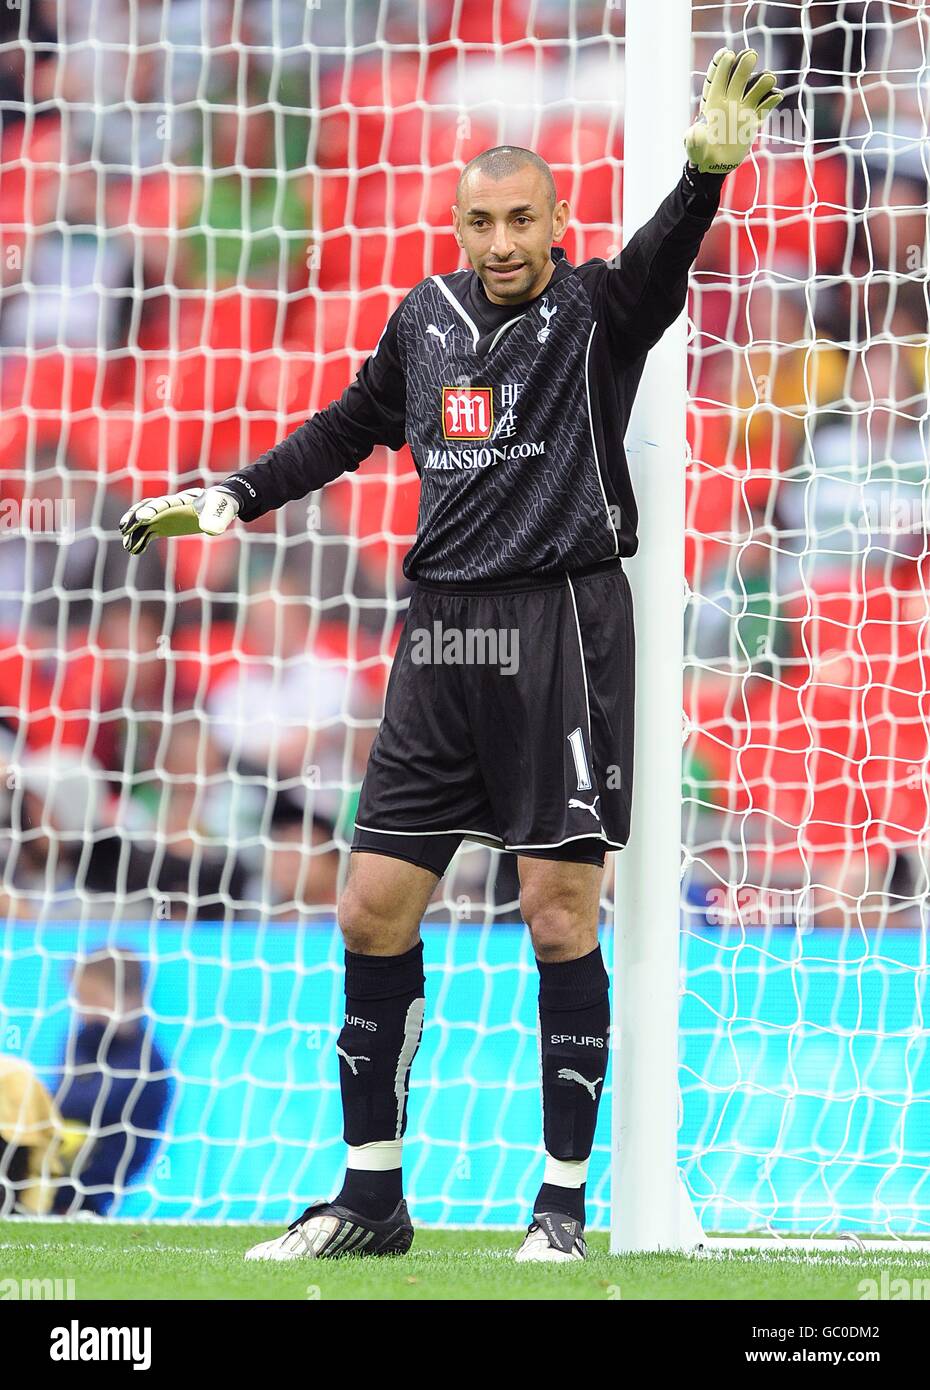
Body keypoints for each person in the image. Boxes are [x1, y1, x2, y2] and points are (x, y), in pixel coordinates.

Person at [120, 51, 782, 1262]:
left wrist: (700, 177)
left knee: (555, 912)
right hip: (443, 638)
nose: (500, 239)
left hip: (560, 628)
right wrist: (233, 493)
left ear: (554, 219)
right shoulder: (421, 323)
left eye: (521, 217)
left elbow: (659, 266)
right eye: (480, 219)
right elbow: (347, 428)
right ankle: (372, 1198)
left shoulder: (595, 314)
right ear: (458, 223)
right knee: (370, 908)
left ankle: (563, 1205)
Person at [53, 949, 171, 1215]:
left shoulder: (146, 1060)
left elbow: (90, 1102)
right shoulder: (84, 1040)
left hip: (98, 1177)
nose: (85, 1010)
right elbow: (64, 1096)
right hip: (58, 1165)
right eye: (80, 999)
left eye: (94, 999)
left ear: (131, 1000)